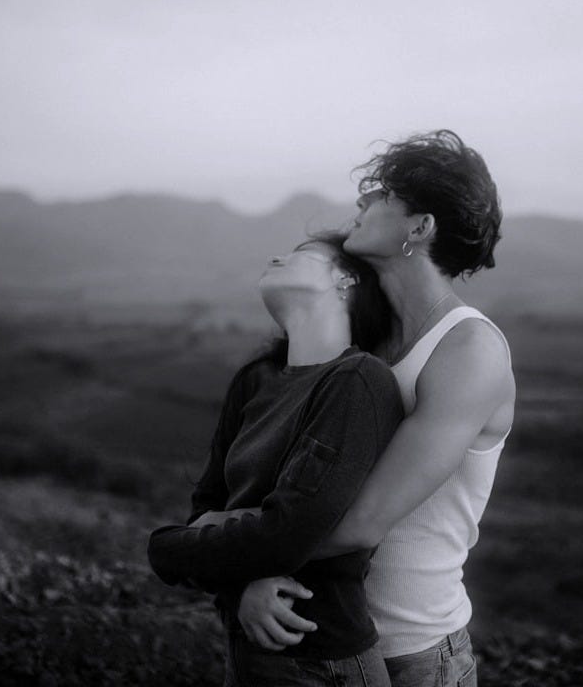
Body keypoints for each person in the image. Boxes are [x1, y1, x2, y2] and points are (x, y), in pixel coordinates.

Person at [231, 130, 516, 687]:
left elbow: (363, 523)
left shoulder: (468, 349)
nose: (362, 200)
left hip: (414, 652)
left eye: (383, 194)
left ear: (420, 227)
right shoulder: (363, 339)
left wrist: (236, 564)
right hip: (321, 639)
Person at [147, 233, 404, 687]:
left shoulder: (358, 380)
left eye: (302, 254)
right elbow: (206, 507)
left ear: (345, 280)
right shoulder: (256, 380)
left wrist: (166, 550)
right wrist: (240, 587)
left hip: (323, 661)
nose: (275, 256)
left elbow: (291, 532)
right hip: (246, 650)